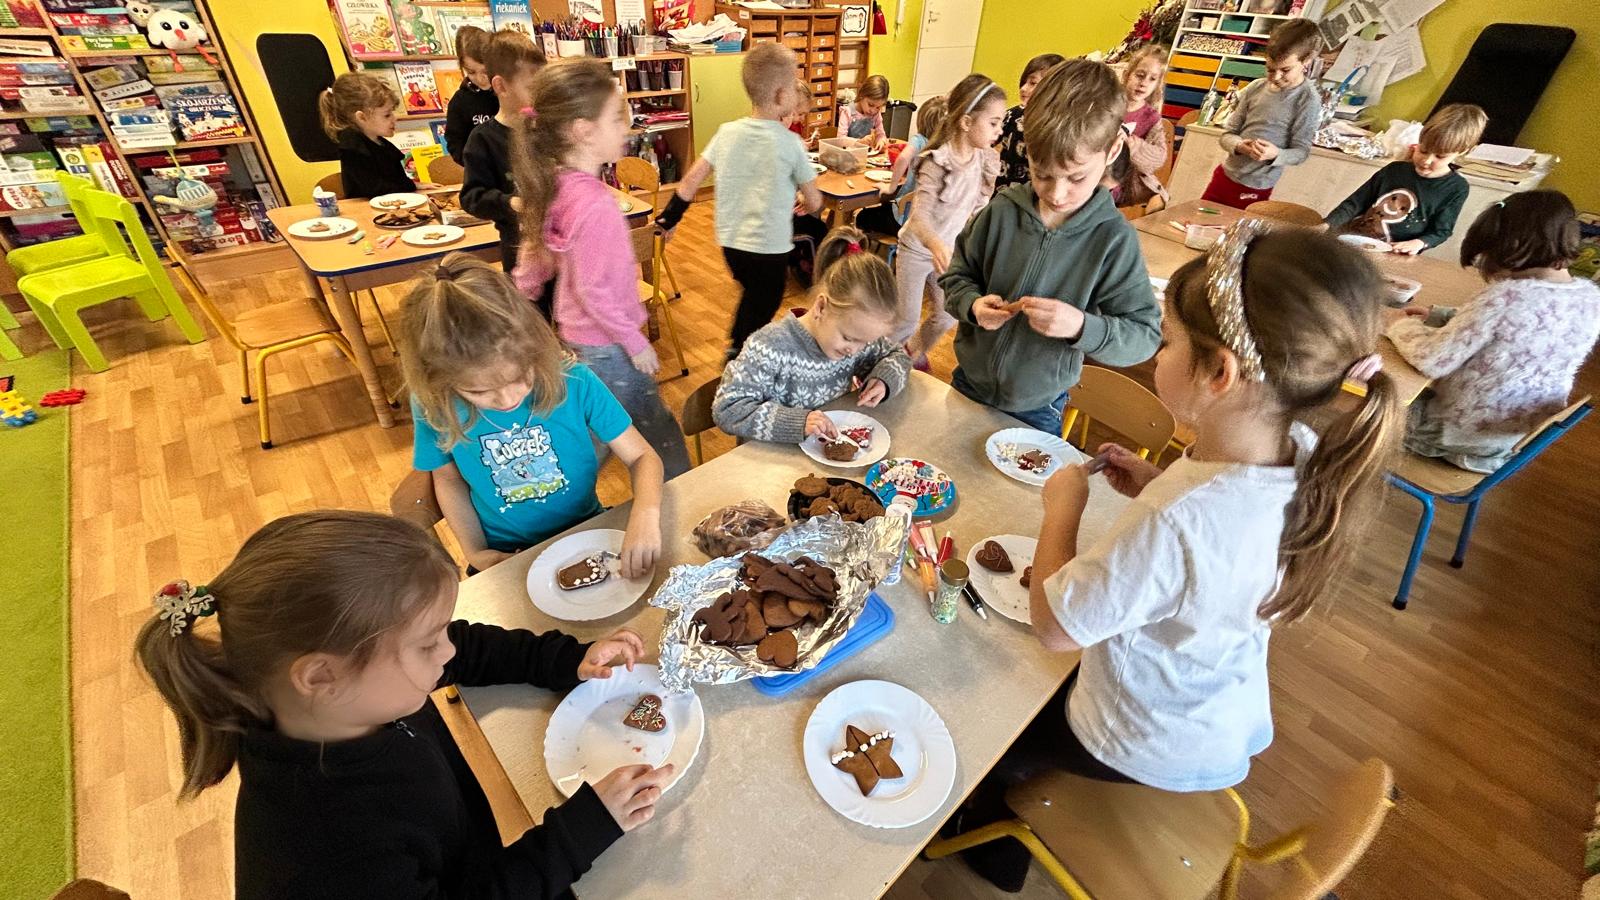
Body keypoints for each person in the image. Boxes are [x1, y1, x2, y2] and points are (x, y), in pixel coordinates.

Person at [960, 224, 1402, 891]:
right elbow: (1217, 543)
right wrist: (1157, 481)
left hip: (1137, 738)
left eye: (1166, 341)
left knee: (992, 734)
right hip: (1214, 714)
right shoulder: (1305, 452)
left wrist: (1063, 509)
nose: (1157, 353)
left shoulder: (1178, 519)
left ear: (1220, 372)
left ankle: (991, 848)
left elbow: (1054, 626)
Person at [134, 509, 674, 900]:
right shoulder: (330, 852)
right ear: (321, 675)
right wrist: (579, 832)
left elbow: (463, 648)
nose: (447, 650)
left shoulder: (345, 696)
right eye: (426, 644)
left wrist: (567, 660)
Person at [397, 254, 664, 575]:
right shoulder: (434, 402)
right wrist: (477, 553)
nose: (508, 399)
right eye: (479, 392)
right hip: (504, 555)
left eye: (520, 377)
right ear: (438, 379)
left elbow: (642, 457)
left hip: (584, 531)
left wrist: (645, 515)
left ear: (534, 348)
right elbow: (448, 479)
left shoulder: (573, 379)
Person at [940, 59, 1160, 435]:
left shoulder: (1112, 239)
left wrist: (1080, 326)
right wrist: (972, 306)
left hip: (1039, 406)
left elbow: (1144, 336)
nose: (1057, 194)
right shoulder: (1002, 211)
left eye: (1076, 177)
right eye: (1042, 174)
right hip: (969, 384)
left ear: (1111, 151)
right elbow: (956, 278)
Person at [511, 60, 693, 480]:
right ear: (583, 131)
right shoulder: (595, 204)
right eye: (615, 118)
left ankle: (556, 491)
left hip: (581, 339)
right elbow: (593, 289)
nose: (625, 128)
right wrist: (635, 342)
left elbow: (537, 254)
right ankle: (681, 492)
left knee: (601, 427)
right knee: (651, 431)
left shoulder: (555, 184)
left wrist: (523, 290)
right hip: (609, 344)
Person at [1386, 190, 1600, 472]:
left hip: (1450, 436)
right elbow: (1518, 330)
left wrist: (1399, 325)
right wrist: (1439, 315)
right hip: (1505, 441)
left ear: (1513, 249)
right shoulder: (1590, 298)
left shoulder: (1505, 298)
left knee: (1368, 398)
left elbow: (1431, 360)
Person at [654, 43, 822, 355]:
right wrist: (806, 200)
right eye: (792, 83)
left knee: (753, 295)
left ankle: (740, 346)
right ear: (781, 95)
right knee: (766, 301)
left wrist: (668, 219)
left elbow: (691, 180)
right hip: (769, 249)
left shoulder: (727, 132)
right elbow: (814, 201)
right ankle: (739, 354)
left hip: (732, 247)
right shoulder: (791, 143)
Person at [713, 226, 911, 443]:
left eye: (865, 343)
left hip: (826, 449)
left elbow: (898, 355)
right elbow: (727, 410)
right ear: (821, 307)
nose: (854, 351)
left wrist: (884, 380)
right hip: (771, 457)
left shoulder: (857, 336)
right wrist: (797, 422)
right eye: (848, 338)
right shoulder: (769, 347)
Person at [895, 74, 1003, 367]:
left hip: (946, 253)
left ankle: (909, 355)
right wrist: (935, 244)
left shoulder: (984, 159)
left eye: (1000, 123)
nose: (999, 130)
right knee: (906, 320)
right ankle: (873, 364)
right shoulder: (937, 162)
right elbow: (919, 218)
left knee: (946, 315)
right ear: (967, 122)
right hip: (917, 250)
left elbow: (977, 209)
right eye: (993, 123)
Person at [1324, 103, 1488, 254]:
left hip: (1395, 253)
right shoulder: (1394, 170)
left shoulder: (1456, 188)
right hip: (1356, 241)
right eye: (1423, 150)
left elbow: (1441, 231)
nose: (1427, 160)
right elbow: (1354, 203)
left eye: (1440, 156)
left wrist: (1418, 243)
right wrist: (1328, 224)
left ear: (1463, 151)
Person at [1200, 19, 1321, 209]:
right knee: (1198, 220)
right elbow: (1226, 135)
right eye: (1270, 69)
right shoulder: (1255, 88)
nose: (1276, 77)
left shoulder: (1307, 100)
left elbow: (1301, 152)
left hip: (1257, 188)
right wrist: (1239, 145)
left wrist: (1275, 154)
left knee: (1236, 227)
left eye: (1285, 70)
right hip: (1225, 177)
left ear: (1306, 61)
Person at [461, 29, 547, 273]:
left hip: (560, 246)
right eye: (532, 86)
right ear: (500, 85)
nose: (540, 94)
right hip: (519, 251)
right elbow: (472, 197)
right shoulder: (482, 139)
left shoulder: (546, 129)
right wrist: (512, 203)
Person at [855, 95, 948, 239]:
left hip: (903, 220)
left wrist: (891, 187)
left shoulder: (919, 140)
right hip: (930, 226)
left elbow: (903, 158)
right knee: (885, 206)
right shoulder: (946, 148)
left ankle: (859, 249)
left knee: (862, 216)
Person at [320, 72, 416, 199]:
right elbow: (374, 188)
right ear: (361, 117)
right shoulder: (352, 146)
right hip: (365, 206)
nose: (394, 119)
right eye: (387, 115)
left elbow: (398, 178)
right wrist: (409, 187)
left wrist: (414, 185)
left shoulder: (379, 141)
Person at [1107, 43, 1170, 209]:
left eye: (1152, 79)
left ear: (1158, 84)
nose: (1144, 83)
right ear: (1127, 75)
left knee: (1159, 199)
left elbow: (1159, 157)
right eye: (1140, 75)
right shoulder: (1108, 103)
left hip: (1122, 184)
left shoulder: (1151, 117)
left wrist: (1133, 145)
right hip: (1092, 173)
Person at [993, 53, 1064, 194]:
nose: (1023, 88)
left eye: (1032, 83)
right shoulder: (1013, 115)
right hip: (1004, 193)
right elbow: (986, 140)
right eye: (1024, 82)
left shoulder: (1060, 125)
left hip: (1036, 196)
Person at [444, 25, 497, 164]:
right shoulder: (459, 102)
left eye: (485, 71)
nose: (480, 79)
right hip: (480, 171)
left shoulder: (506, 92)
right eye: (471, 72)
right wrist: (474, 164)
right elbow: (455, 143)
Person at [837, 74, 890, 150]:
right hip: (848, 152)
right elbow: (840, 139)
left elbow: (881, 133)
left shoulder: (876, 114)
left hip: (866, 153)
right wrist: (859, 142)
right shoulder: (848, 111)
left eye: (878, 107)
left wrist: (881, 140)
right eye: (870, 105)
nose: (873, 110)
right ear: (862, 95)